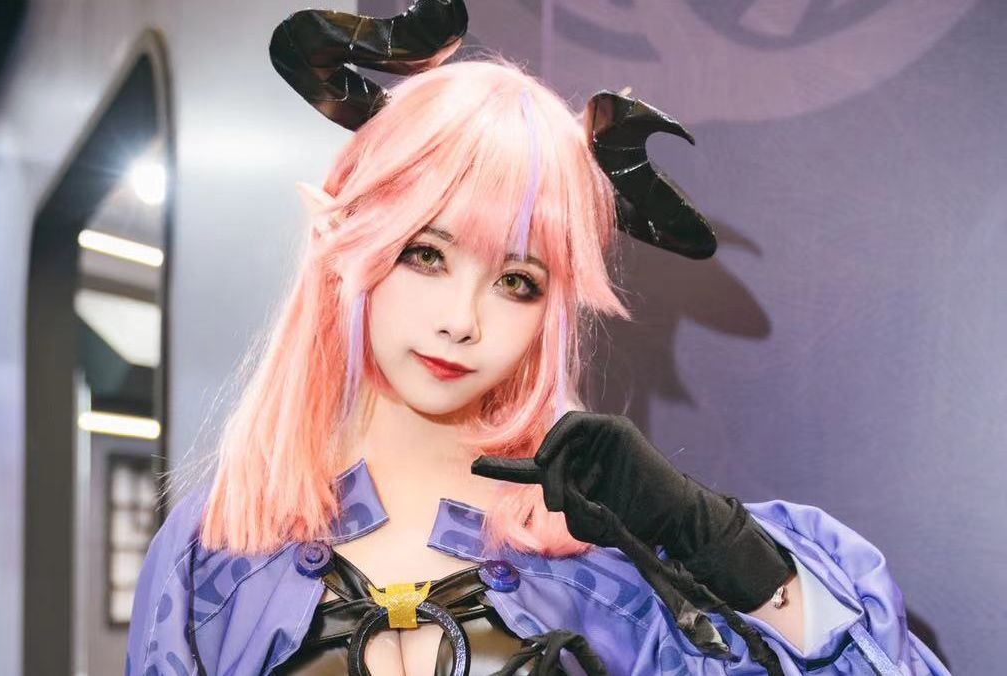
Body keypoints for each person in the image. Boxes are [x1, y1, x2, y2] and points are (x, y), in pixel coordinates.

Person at [125, 2, 950, 674]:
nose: (462, 319)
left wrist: (719, 546)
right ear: (342, 239)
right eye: (426, 254)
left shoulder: (606, 557)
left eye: (517, 281)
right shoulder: (213, 551)